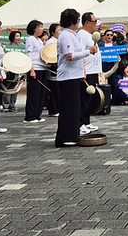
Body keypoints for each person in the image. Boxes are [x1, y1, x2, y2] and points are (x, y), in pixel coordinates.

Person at [55, 9, 95, 147]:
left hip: (73, 75)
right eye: (78, 20)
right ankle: (65, 137)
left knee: (73, 108)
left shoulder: (70, 35)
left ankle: (72, 135)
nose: (79, 22)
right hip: (68, 77)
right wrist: (88, 52)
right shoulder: (66, 35)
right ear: (73, 21)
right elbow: (69, 56)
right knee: (69, 108)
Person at [24, 19, 48, 123]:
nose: (42, 29)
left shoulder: (39, 40)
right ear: (34, 28)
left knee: (41, 93)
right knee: (34, 93)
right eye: (40, 27)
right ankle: (30, 116)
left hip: (42, 68)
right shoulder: (30, 39)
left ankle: (37, 114)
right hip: (35, 68)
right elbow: (28, 54)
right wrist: (31, 70)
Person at [3, 30, 22, 112]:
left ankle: (12, 105)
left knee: (16, 87)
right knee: (7, 87)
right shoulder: (7, 47)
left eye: (19, 36)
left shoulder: (22, 47)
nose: (19, 38)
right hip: (9, 69)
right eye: (17, 36)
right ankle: (6, 105)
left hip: (18, 69)